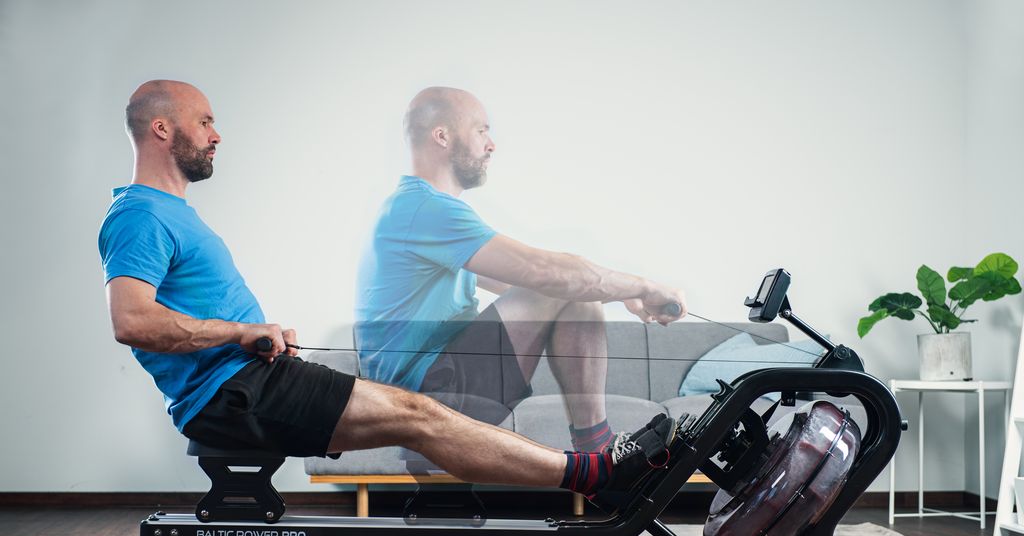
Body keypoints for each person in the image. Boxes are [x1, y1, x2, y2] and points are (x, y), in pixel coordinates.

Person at [98, 80, 678, 511]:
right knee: (418, 412)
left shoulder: (169, 214)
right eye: (204, 122)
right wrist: (241, 332)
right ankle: (598, 471)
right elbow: (131, 320)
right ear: (162, 129)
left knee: (419, 412)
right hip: (237, 392)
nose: (216, 133)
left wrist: (609, 291)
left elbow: (537, 282)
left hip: (255, 380)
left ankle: (598, 468)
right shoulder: (140, 215)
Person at [356, 86, 687, 455]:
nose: (492, 144)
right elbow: (543, 272)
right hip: (424, 394)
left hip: (438, 382)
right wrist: (644, 286)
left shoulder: (419, 212)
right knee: (560, 281)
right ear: (443, 136)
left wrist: (622, 292)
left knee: (570, 289)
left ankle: (597, 450)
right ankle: (600, 453)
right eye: (481, 130)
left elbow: (517, 280)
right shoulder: (425, 209)